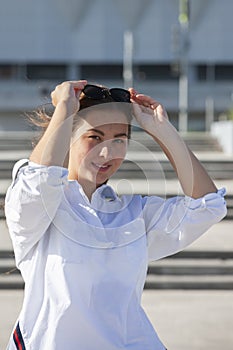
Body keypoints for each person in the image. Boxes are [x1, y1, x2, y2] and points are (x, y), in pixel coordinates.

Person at [5, 80, 226, 350]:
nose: (107, 153)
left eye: (119, 140)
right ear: (68, 137)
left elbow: (207, 206)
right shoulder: (39, 209)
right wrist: (64, 108)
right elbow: (38, 182)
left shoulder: (133, 213)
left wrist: (162, 130)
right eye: (94, 137)